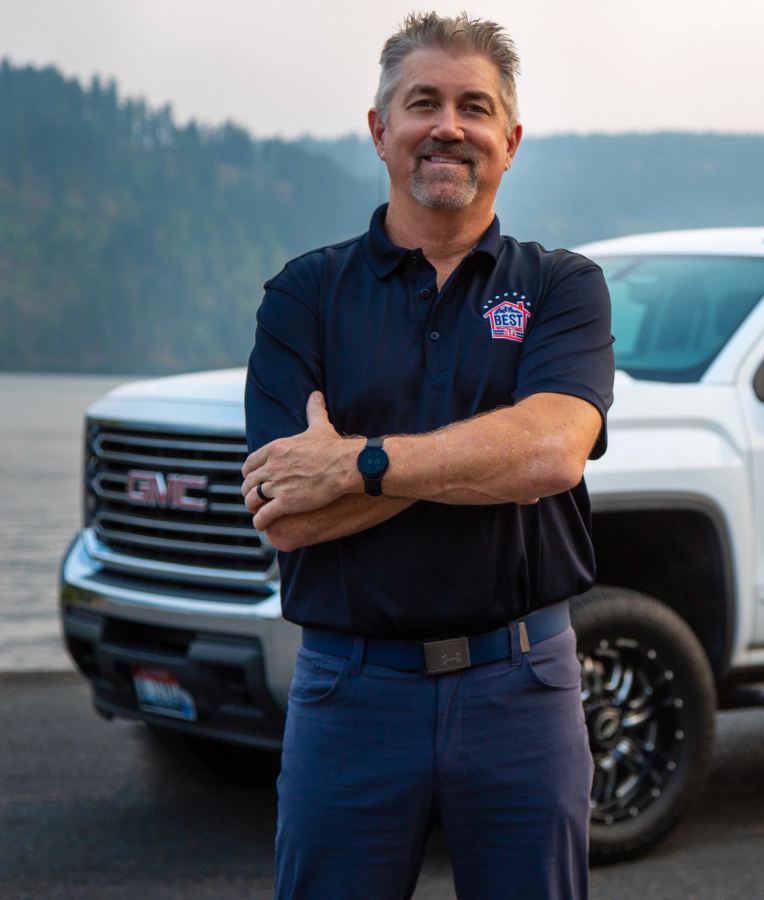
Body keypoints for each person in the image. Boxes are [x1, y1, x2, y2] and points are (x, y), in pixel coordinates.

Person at [240, 12, 613, 899]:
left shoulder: (562, 287)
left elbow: (551, 455)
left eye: (474, 107)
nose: (448, 126)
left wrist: (357, 462)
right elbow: (287, 516)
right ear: (379, 131)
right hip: (351, 691)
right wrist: (485, 448)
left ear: (510, 141)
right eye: (423, 103)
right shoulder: (305, 295)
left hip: (522, 685)